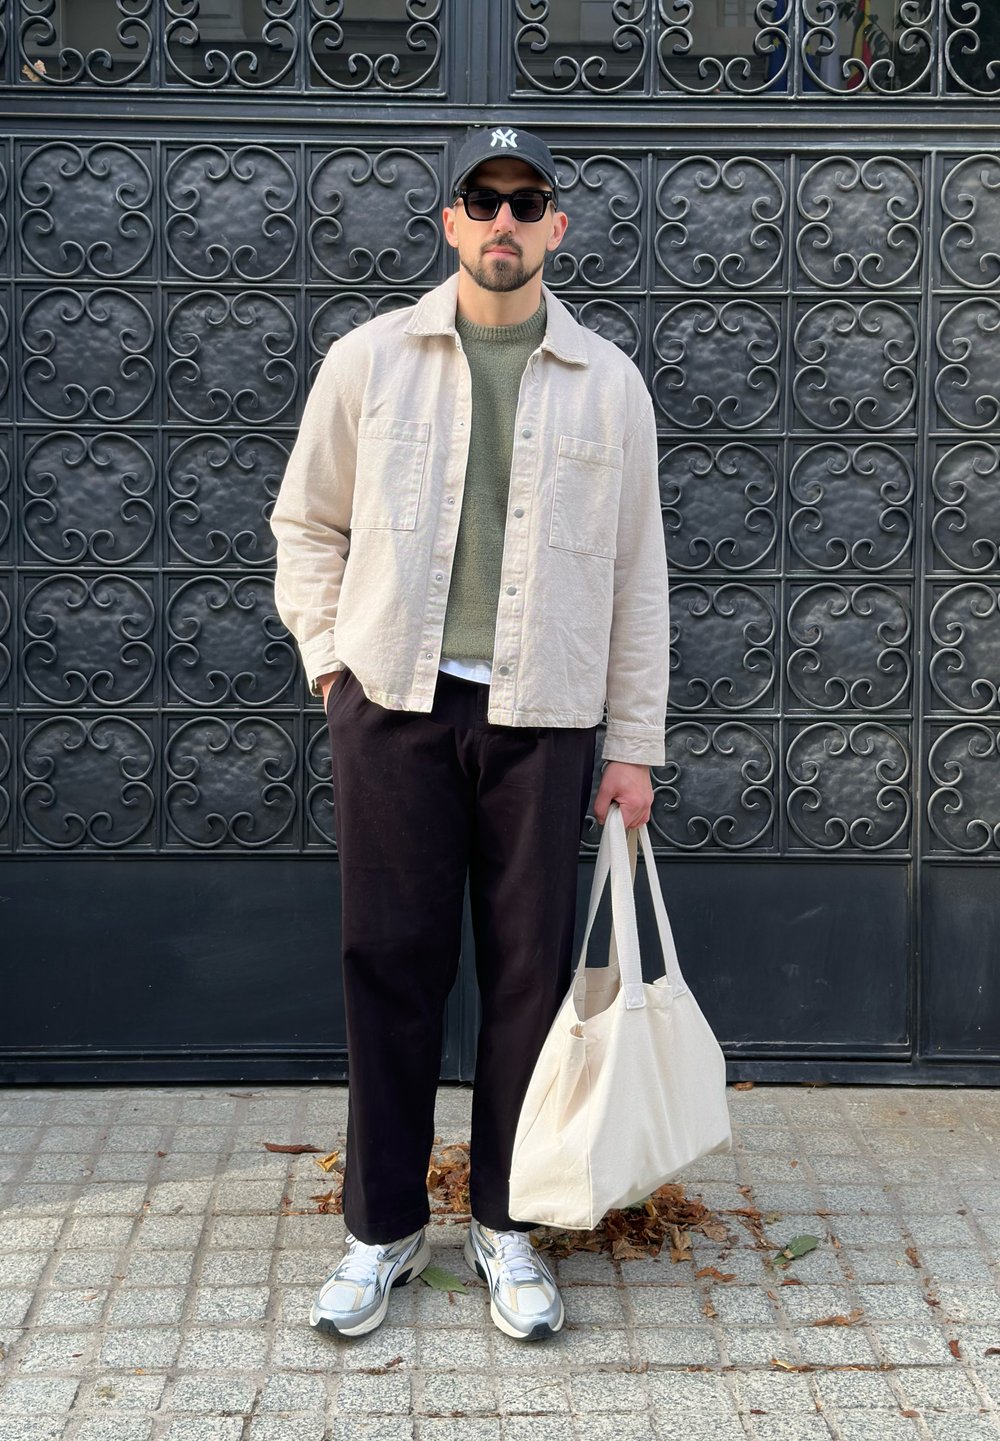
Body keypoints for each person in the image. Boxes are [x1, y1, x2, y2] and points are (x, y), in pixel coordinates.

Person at [270, 124, 669, 1342]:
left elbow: (638, 576)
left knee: (529, 984)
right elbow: (307, 525)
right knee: (387, 967)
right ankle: (381, 1230)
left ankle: (506, 1227)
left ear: (556, 226)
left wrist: (632, 743)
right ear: (448, 223)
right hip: (392, 704)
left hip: (544, 718)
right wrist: (334, 665)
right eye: (480, 202)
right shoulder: (370, 359)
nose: (502, 222)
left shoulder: (608, 380)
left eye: (525, 201)